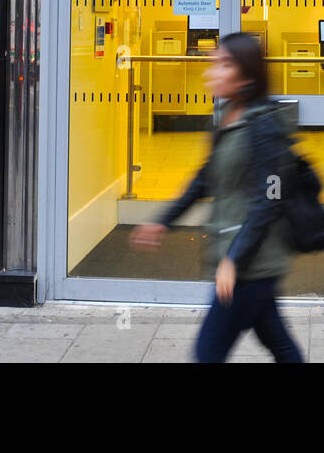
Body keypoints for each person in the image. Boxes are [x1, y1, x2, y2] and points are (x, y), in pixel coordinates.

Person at [130, 32, 303, 363]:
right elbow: (205, 179)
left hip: (250, 266)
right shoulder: (229, 117)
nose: (211, 73)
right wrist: (163, 222)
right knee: (279, 343)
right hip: (242, 263)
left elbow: (271, 198)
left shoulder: (264, 125)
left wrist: (234, 260)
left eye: (223, 65)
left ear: (245, 72)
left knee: (207, 352)